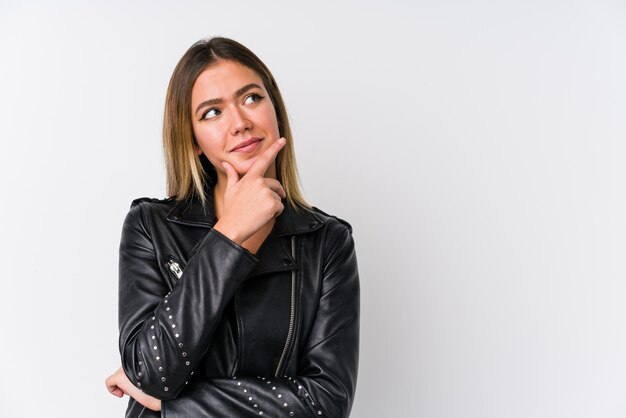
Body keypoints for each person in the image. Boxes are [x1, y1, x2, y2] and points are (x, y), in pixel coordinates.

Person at [105, 36, 360, 418]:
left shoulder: (327, 242)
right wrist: (228, 234)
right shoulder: (150, 227)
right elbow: (151, 372)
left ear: (276, 111)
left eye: (252, 98)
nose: (240, 123)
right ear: (191, 140)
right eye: (211, 113)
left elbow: (326, 404)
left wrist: (175, 406)